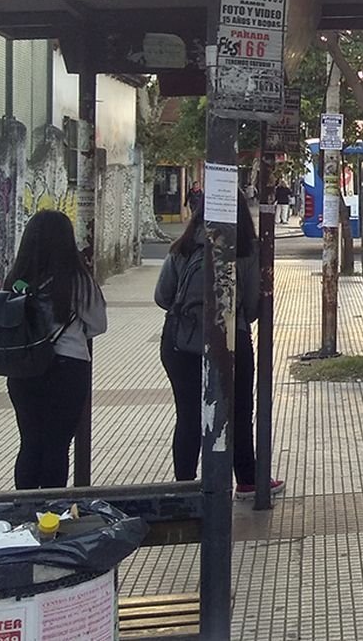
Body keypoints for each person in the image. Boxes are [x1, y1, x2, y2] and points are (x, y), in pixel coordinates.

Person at [154, 192, 284, 500]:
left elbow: (162, 297)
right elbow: (252, 310)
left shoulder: (182, 248)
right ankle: (248, 480)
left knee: (188, 416)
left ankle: (185, 486)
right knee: (239, 411)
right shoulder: (248, 250)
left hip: (180, 344)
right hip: (232, 343)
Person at [4, 210, 107, 489]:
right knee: (57, 444)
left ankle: (22, 512)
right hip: (67, 369)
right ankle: (50, 514)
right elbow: (98, 324)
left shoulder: (14, 279)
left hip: (23, 370)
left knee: (30, 442)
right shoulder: (77, 279)